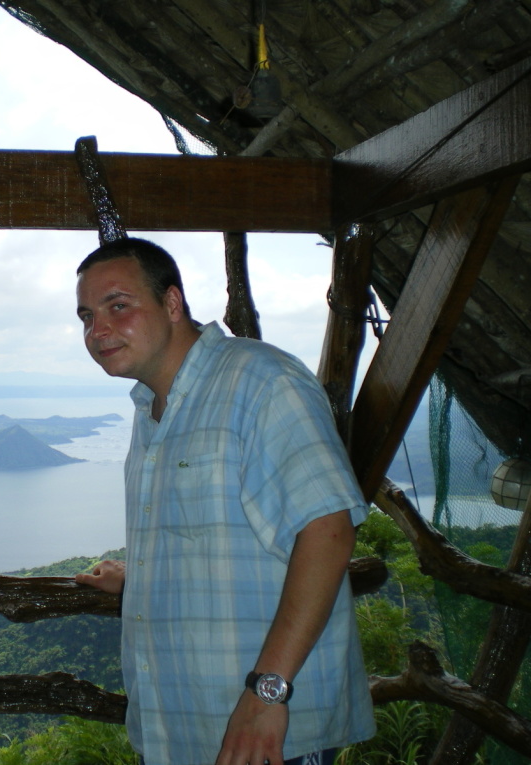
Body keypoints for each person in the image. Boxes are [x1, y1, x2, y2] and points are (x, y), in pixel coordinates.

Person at [73, 238, 374, 765]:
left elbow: (328, 531)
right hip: (181, 727)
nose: (97, 331)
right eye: (86, 316)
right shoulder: (151, 407)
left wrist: (267, 692)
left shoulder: (260, 381)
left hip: (262, 735)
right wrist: (145, 574)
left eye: (118, 306)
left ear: (172, 303)